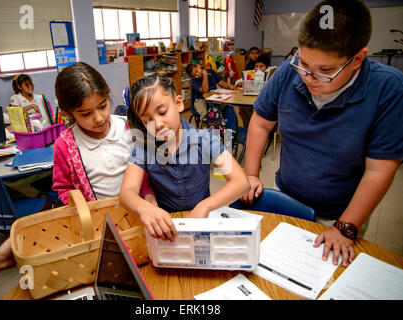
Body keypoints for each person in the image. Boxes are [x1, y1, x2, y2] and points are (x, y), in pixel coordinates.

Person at [241, 0, 403, 267]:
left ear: (358, 59)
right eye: (303, 63)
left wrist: (345, 227)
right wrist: (251, 174)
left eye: (325, 70)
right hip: (285, 197)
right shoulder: (288, 71)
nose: (308, 76)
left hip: (339, 214)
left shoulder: (388, 89)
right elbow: (260, 123)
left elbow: (379, 169)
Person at [119, 74, 250, 241]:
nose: (158, 124)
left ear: (178, 103)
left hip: (202, 222)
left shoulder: (205, 138)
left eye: (162, 112)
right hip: (166, 227)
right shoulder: (143, 147)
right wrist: (144, 208)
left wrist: (205, 206)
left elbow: (241, 182)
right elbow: (127, 192)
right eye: (147, 121)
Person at [52, 62, 156, 205]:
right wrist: (80, 207)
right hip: (98, 220)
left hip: (138, 211)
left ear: (108, 96)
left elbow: (143, 168)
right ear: (68, 114)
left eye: (103, 106)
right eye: (86, 114)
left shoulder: (128, 127)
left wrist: (148, 194)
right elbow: (64, 188)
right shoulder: (65, 146)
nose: (99, 118)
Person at [238, 53, 272, 128]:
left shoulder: (271, 75)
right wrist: (245, 81)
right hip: (252, 98)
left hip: (265, 100)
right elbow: (237, 83)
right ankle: (249, 127)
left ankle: (266, 130)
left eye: (261, 66)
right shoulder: (252, 73)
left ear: (267, 67)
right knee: (243, 107)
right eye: (256, 66)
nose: (258, 69)